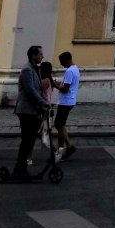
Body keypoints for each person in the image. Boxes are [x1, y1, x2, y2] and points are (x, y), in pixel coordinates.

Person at [13, 44, 50, 179]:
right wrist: (44, 103)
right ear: (33, 56)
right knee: (27, 140)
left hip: (32, 110)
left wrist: (44, 104)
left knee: (29, 140)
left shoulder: (34, 69)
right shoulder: (27, 70)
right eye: (40, 54)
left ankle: (21, 168)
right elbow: (30, 91)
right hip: (26, 110)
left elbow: (38, 90)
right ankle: (20, 169)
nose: (42, 56)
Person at [54, 50, 80, 161]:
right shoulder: (76, 69)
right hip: (69, 101)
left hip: (65, 102)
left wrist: (54, 85)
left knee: (58, 125)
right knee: (60, 125)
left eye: (62, 61)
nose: (61, 64)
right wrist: (57, 83)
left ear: (67, 60)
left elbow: (65, 89)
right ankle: (64, 148)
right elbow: (65, 84)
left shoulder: (69, 71)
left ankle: (64, 149)